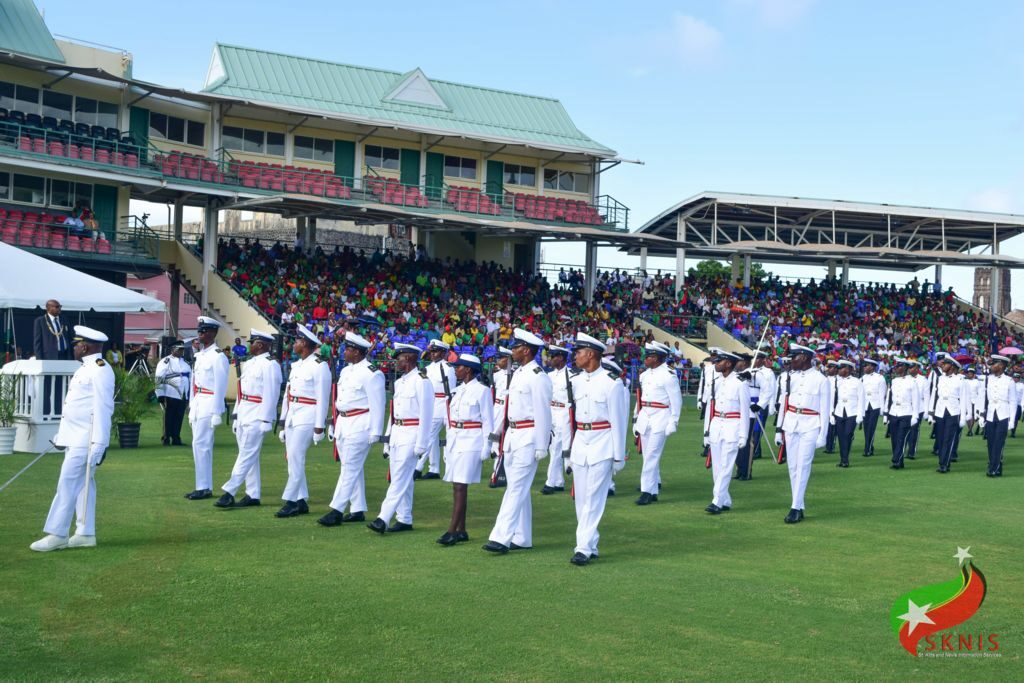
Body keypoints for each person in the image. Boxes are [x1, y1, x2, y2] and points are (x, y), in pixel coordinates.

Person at [30, 326, 114, 552]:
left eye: (76, 344)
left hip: (86, 440)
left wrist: (100, 443)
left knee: (67, 484)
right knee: (84, 485)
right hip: (75, 437)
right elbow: (75, 408)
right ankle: (85, 533)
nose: (74, 348)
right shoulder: (85, 368)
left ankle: (57, 534)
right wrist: (62, 435)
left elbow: (104, 408)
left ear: (84, 347)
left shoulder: (100, 370)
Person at [482, 328, 552, 555]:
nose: (512, 350)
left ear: (527, 350)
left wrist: (542, 444)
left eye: (516, 347)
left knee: (515, 489)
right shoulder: (519, 373)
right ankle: (522, 537)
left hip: (529, 436)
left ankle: (500, 537)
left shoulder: (538, 376)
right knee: (518, 488)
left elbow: (543, 413)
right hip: (513, 435)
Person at [566, 332, 628, 566]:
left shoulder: (612, 383)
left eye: (579, 352)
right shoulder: (576, 381)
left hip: (602, 443)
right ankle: (590, 544)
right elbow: (572, 419)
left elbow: (619, 422)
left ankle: (582, 547)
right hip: (581, 442)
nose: (575, 356)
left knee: (594, 499)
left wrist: (618, 456)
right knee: (581, 499)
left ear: (591, 354)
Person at [318, 332, 385, 527]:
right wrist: (334, 423)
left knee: (350, 468)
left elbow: (378, 404)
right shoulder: (346, 371)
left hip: (360, 424)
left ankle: (336, 510)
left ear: (357, 352)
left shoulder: (372, 373)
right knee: (351, 467)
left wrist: (376, 431)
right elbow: (341, 401)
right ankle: (357, 508)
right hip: (344, 422)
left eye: (347, 349)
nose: (344, 352)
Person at [367, 343, 433, 534]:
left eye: (399, 358)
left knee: (399, 479)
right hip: (397, 433)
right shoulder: (400, 382)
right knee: (402, 478)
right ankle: (404, 519)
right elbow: (394, 413)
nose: (396, 362)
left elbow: (426, 415)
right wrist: (387, 439)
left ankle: (383, 518)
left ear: (410, 358)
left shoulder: (422, 381)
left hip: (412, 434)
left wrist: (422, 443)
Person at [215, 329, 282, 508]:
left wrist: (266, 419)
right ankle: (253, 494)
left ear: (260, 345)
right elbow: (241, 391)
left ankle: (229, 491)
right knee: (249, 454)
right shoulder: (251, 363)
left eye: (252, 343)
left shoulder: (270, 365)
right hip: (244, 410)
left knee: (247, 453)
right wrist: (236, 414)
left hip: (258, 413)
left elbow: (272, 393)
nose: (249, 345)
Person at [437, 353, 494, 546]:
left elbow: (488, 421)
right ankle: (461, 530)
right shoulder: (457, 391)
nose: (456, 370)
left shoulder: (482, 391)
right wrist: (447, 445)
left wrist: (487, 446)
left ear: (468, 370)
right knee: (457, 485)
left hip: (472, 441)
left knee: (461, 485)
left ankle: (451, 531)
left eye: (459, 367)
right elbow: (450, 420)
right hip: (456, 439)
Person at [277, 324, 332, 518]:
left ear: (306, 344)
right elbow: (288, 395)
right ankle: (301, 500)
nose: (294, 344)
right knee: (292, 458)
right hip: (293, 415)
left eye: (297, 341)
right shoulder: (297, 365)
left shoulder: (319, 366)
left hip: (308, 415)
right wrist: (283, 420)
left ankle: (291, 501)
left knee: (296, 456)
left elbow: (323, 398)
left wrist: (319, 426)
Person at [774, 344, 829, 524]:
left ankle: (795, 508)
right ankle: (799, 504)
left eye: (794, 357)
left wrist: (823, 435)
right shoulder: (790, 377)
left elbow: (825, 410)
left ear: (804, 357)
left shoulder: (821, 380)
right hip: (791, 423)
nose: (792, 361)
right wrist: (779, 430)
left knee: (803, 466)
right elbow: (784, 404)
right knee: (792, 466)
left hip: (810, 425)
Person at [185, 317, 229, 500]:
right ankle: (203, 485)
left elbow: (221, 385)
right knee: (198, 444)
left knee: (202, 445)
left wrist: (217, 411)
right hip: (198, 402)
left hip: (209, 402)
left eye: (203, 331)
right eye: (199, 331)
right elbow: (194, 382)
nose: (200, 334)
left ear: (213, 333)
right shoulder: (200, 355)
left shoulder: (218, 356)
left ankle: (203, 487)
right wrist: (191, 404)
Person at [633, 341, 681, 505]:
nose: (645, 359)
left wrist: (673, 421)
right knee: (647, 455)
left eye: (649, 356)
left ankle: (646, 491)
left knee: (651, 456)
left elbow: (676, 401)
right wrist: (635, 419)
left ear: (657, 358)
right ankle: (652, 491)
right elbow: (640, 399)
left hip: (661, 417)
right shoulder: (645, 375)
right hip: (645, 416)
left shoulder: (668, 375)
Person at [702, 349, 750, 514]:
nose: (716, 364)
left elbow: (745, 411)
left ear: (728, 363)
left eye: (719, 361)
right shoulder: (716, 382)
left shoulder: (740, 383)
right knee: (717, 467)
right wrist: (706, 431)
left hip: (732, 426)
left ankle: (716, 501)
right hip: (716, 425)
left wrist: (744, 435)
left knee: (725, 466)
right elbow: (710, 409)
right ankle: (725, 500)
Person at [416, 339, 455, 480]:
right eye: (431, 351)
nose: (432, 354)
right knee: (432, 437)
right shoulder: (428, 368)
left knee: (438, 437)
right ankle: (434, 469)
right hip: (433, 403)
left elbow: (451, 390)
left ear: (443, 353)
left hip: (444, 403)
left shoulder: (448, 368)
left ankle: (418, 467)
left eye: (436, 351)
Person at [541, 345, 574, 495]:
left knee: (557, 447)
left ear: (561, 358)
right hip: (552, 412)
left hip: (564, 413)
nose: (551, 359)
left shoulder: (571, 375)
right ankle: (558, 481)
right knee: (553, 447)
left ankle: (550, 482)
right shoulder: (549, 375)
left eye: (553, 356)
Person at [929, 356, 970, 474]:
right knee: (940, 438)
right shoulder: (940, 379)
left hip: (953, 411)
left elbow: (963, 399)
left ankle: (944, 464)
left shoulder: (960, 380)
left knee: (948, 438)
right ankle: (942, 461)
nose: (942, 365)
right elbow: (935, 396)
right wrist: (931, 412)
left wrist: (963, 417)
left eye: (945, 364)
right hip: (940, 410)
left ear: (952, 366)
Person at [32, 298, 72, 418]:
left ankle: (58, 412)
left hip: (63, 356)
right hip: (48, 358)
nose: (59, 309)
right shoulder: (40, 321)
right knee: (47, 387)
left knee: (60, 386)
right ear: (48, 308)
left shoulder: (64, 319)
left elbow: (69, 337)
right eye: (57, 307)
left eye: (60, 306)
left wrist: (71, 356)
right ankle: (45, 413)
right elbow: (37, 343)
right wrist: (40, 361)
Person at [884, 359, 920, 470]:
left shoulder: (912, 382)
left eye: (899, 366)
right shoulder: (894, 381)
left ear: (904, 367)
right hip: (894, 412)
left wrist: (915, 416)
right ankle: (900, 461)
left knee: (901, 438)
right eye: (896, 366)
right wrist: (886, 414)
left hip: (906, 412)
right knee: (894, 439)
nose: (896, 368)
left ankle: (896, 460)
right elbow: (889, 398)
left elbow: (916, 400)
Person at [155, 342, 190, 446]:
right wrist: (160, 393)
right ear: (172, 349)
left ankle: (176, 438)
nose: (181, 351)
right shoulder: (166, 361)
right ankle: (166, 438)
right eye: (179, 349)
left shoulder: (185, 362)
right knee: (169, 416)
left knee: (179, 416)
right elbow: (159, 377)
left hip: (183, 392)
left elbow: (191, 377)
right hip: (171, 392)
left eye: (182, 349)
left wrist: (190, 394)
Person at [983, 355, 1014, 477]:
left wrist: (1011, 420)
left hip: (1003, 414)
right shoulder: (989, 379)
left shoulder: (1009, 381)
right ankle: (996, 466)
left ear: (1001, 366)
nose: (991, 366)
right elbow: (984, 398)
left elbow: (1012, 401)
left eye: (994, 364)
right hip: (991, 414)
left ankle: (993, 468)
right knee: (991, 442)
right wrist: (981, 415)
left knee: (999, 442)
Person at [488, 346, 514, 487]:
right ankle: (498, 471)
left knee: (502, 440)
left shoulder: (515, 374)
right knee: (495, 440)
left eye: (501, 358)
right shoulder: (496, 375)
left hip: (508, 408)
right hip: (497, 408)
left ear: (508, 359)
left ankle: (498, 473)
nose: (498, 361)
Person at [860, 359, 886, 456]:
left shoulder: (880, 378)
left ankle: (868, 449)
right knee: (866, 428)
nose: (864, 367)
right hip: (865, 405)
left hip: (875, 405)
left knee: (871, 427)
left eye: (866, 365)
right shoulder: (862, 378)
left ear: (872, 367)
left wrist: (882, 408)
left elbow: (882, 394)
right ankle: (869, 446)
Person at [907, 361, 930, 459]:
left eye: (912, 368)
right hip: (906, 408)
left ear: (917, 369)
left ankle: (911, 452)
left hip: (919, 408)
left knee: (914, 430)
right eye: (909, 368)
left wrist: (926, 411)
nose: (910, 369)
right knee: (905, 430)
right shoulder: (906, 378)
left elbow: (927, 396)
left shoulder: (923, 380)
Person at [823, 361, 839, 453]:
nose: (828, 369)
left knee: (832, 428)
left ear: (835, 369)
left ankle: (830, 446)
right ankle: (827, 445)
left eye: (830, 368)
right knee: (826, 427)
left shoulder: (838, 380)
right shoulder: (825, 379)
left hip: (834, 407)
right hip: (825, 406)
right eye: (828, 368)